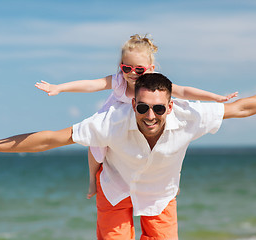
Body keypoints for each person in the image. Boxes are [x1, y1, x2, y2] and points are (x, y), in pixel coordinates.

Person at [0, 73, 256, 240]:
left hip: (161, 195)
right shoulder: (112, 122)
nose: (151, 116)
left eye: (159, 109)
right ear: (133, 103)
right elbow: (51, 138)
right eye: (143, 108)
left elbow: (245, 108)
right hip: (115, 190)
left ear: (170, 104)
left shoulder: (189, 116)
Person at [35, 34, 238, 199]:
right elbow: (91, 84)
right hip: (117, 119)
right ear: (121, 67)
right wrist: (58, 88)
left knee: (171, 144)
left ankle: (173, 184)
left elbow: (184, 91)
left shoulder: (154, 84)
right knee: (95, 146)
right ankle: (92, 180)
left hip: (145, 118)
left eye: (139, 69)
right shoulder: (118, 81)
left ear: (150, 69)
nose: (132, 73)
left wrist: (215, 97)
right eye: (126, 68)